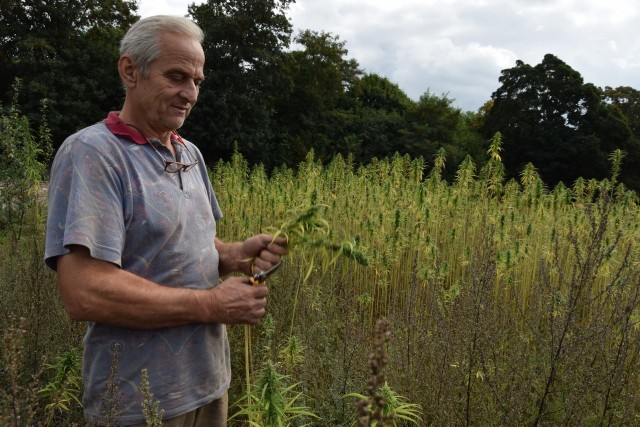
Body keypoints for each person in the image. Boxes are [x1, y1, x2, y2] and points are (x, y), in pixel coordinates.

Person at [44, 15, 287, 426]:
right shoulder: (93, 154)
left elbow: (184, 246)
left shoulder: (188, 153)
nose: (189, 93)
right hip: (139, 400)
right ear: (130, 70)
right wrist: (211, 303)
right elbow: (84, 291)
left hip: (209, 384)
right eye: (176, 77)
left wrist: (235, 255)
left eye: (196, 81)